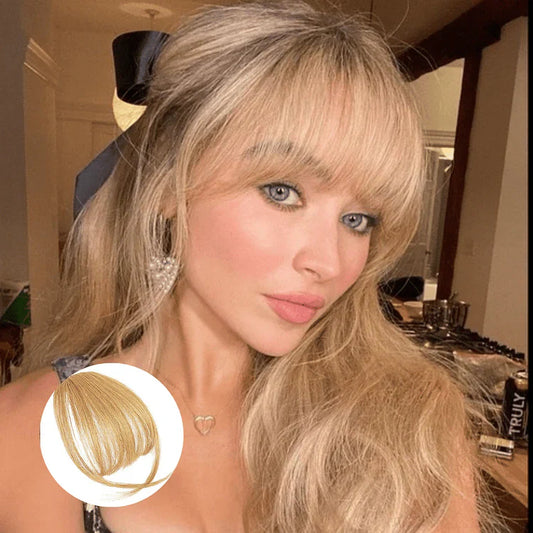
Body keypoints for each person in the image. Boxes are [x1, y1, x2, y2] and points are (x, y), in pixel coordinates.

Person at [0, 1, 507, 532]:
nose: (328, 262)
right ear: (167, 184)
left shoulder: (412, 425)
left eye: (358, 219)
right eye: (282, 191)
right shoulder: (24, 433)